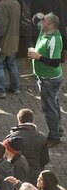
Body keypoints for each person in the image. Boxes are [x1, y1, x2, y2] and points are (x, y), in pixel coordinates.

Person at [27, 13, 64, 146]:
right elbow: (34, 21)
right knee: (53, 105)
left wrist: (38, 57)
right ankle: (58, 130)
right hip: (44, 78)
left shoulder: (54, 39)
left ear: (51, 25)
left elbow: (55, 62)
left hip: (49, 80)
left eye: (44, 21)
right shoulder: (45, 30)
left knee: (49, 108)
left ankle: (54, 137)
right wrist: (38, 15)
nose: (41, 23)